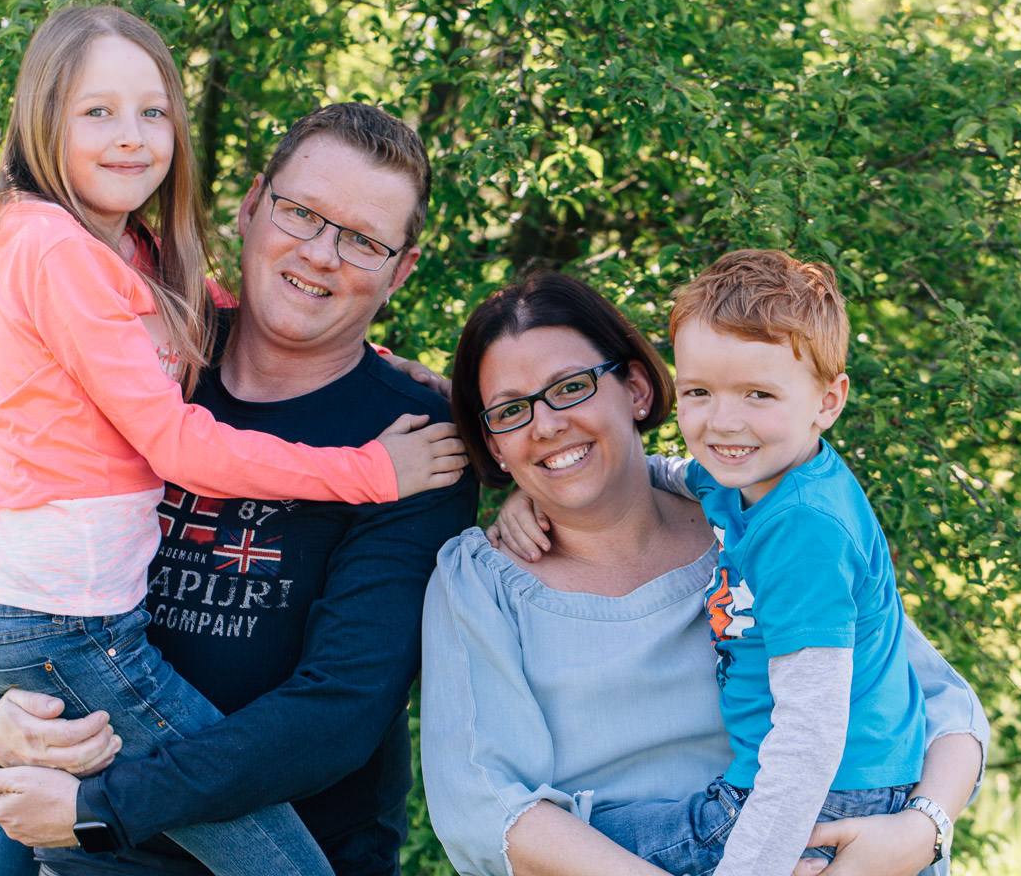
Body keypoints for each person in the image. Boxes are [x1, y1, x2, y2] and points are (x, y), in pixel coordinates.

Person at [0, 9, 467, 876]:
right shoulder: (153, 351)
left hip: (216, 840)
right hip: (63, 843)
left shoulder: (412, 442)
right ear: (254, 205)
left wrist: (95, 810)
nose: (321, 254)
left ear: (400, 270)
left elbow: (335, 713)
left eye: (363, 240)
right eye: (300, 213)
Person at [422, 270, 990, 876]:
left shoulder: (760, 525)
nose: (545, 424)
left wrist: (922, 830)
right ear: (494, 444)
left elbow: (938, 701)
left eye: (570, 387)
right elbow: (489, 809)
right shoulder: (481, 582)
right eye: (511, 411)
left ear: (637, 387)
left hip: (791, 839)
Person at [582, 249, 928, 876]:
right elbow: (674, 474)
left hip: (827, 794)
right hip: (825, 780)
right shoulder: (743, 475)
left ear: (828, 401)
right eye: (698, 393)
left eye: (759, 394)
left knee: (580, 837)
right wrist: (540, 495)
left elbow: (811, 731)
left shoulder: (803, 528)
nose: (723, 422)